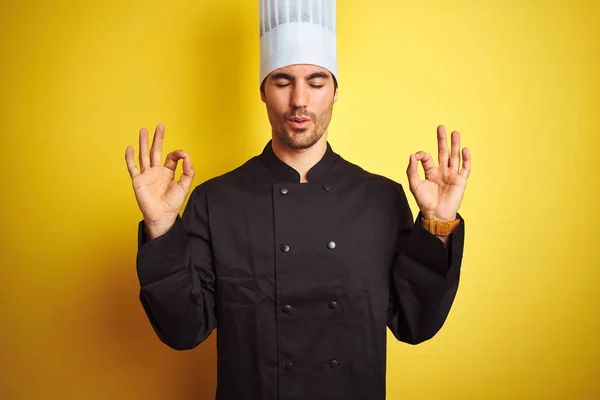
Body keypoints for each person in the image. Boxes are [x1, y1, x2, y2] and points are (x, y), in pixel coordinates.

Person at [124, 1, 471, 399]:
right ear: (262, 91)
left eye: (317, 82)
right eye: (283, 81)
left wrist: (438, 226)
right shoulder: (216, 200)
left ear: (336, 91)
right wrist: (161, 227)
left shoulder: (381, 199)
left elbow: (415, 324)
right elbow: (183, 330)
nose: (300, 100)